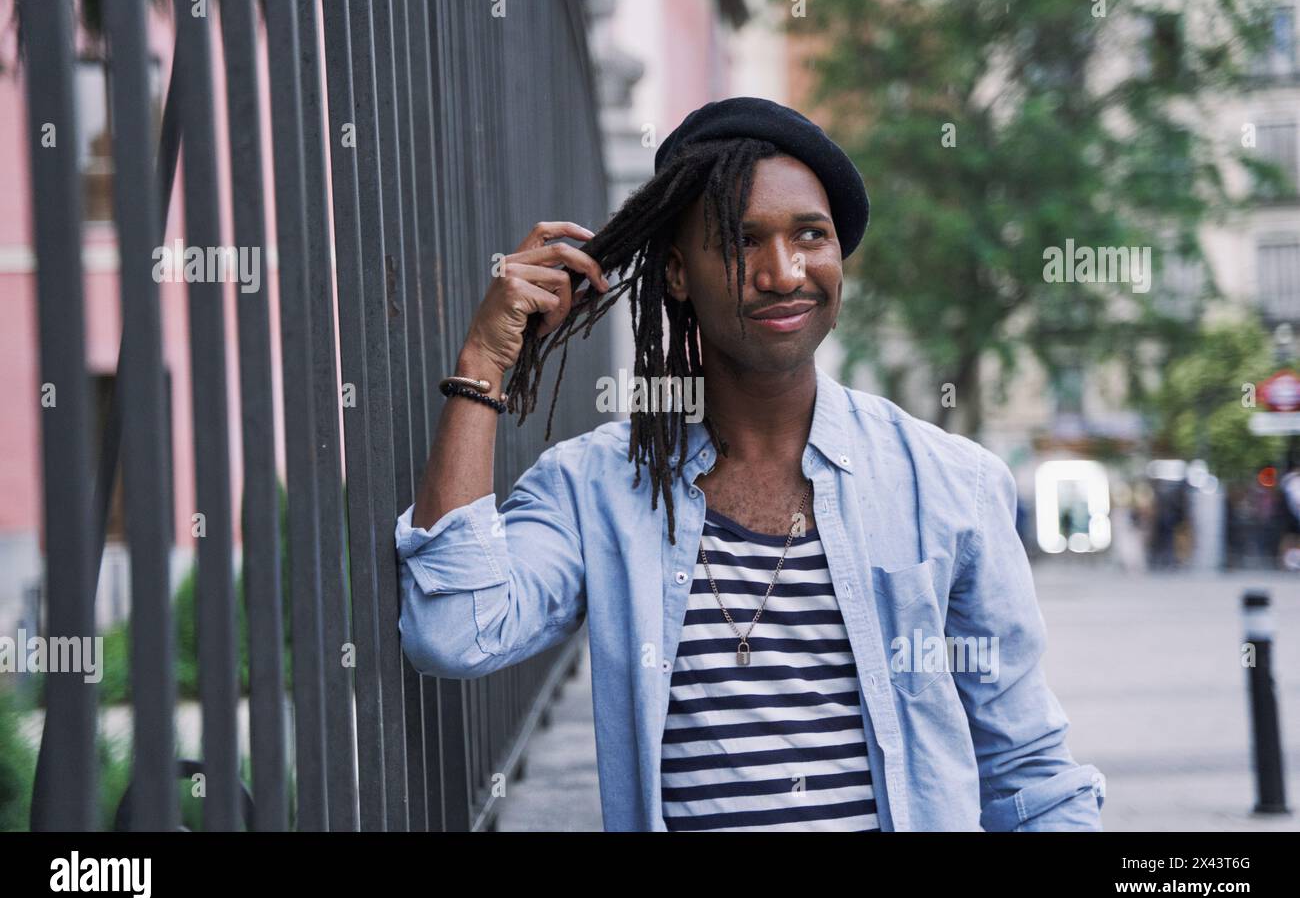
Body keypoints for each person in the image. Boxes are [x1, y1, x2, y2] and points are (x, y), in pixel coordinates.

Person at [395, 96, 1105, 831]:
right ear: (676, 273)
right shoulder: (596, 488)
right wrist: (485, 362)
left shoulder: (948, 482)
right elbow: (453, 629)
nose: (784, 271)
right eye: (742, 241)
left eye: (811, 236)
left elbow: (1030, 776)